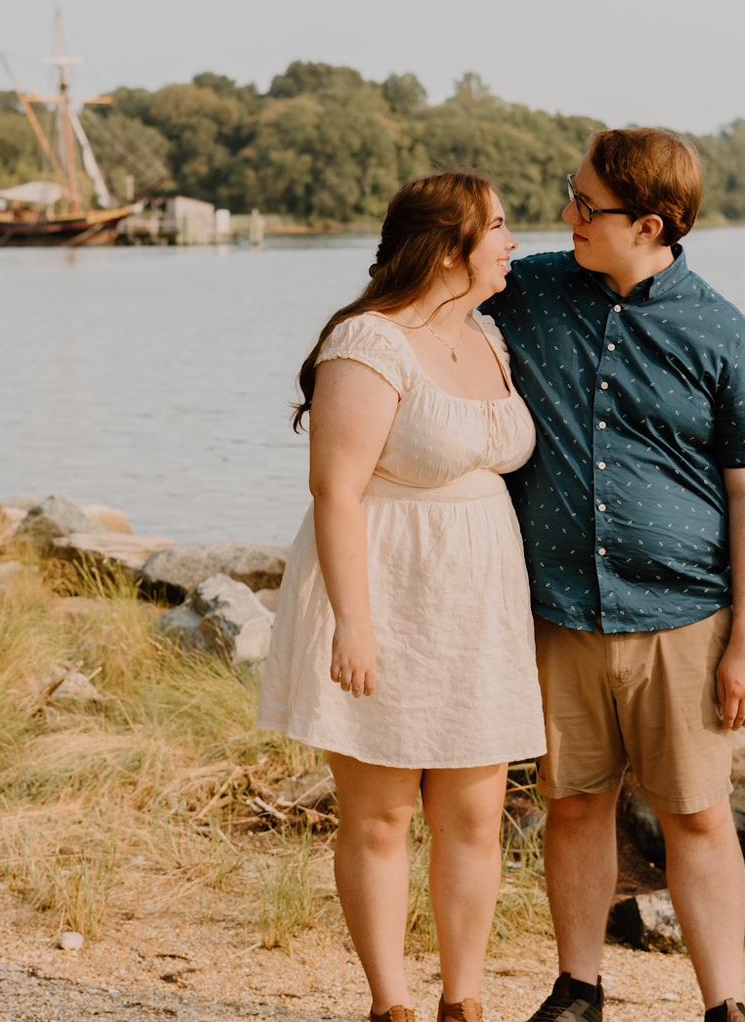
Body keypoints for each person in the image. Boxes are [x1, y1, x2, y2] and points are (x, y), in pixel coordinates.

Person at [481, 129, 745, 1022]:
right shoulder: (531, 291)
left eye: (586, 204)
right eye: (571, 193)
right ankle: (578, 990)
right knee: (575, 804)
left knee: (697, 816)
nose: (567, 213)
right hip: (560, 611)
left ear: (650, 224)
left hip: (685, 619)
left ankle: (724, 1006)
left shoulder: (725, 334)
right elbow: (427, 301)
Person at [258, 171, 547, 1022]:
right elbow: (335, 490)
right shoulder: (369, 342)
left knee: (476, 817)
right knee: (382, 815)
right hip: (387, 589)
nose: (513, 242)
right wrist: (354, 623)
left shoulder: (487, 335)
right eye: (498, 226)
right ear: (450, 248)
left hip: (479, 602)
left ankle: (464, 1002)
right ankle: (392, 1005)